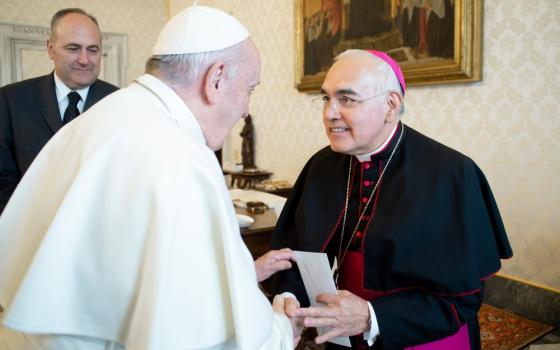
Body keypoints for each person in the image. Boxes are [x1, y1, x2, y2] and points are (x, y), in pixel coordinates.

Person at [0, 5, 300, 350]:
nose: (247, 108)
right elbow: (195, 337)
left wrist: (240, 273)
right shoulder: (181, 156)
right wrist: (280, 330)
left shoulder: (107, 114)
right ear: (215, 79)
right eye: (250, 89)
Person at [267, 49, 513, 349]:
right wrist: (289, 300)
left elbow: (460, 300)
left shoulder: (451, 173)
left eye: (346, 99)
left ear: (390, 104)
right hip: (343, 332)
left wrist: (372, 316)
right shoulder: (322, 165)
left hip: (423, 338)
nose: (330, 112)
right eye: (326, 98)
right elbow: (297, 253)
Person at [0, 8, 118, 214]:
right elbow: (3, 180)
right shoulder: (9, 100)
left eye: (93, 50)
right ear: (50, 49)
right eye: (73, 48)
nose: (84, 59)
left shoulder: (121, 102)